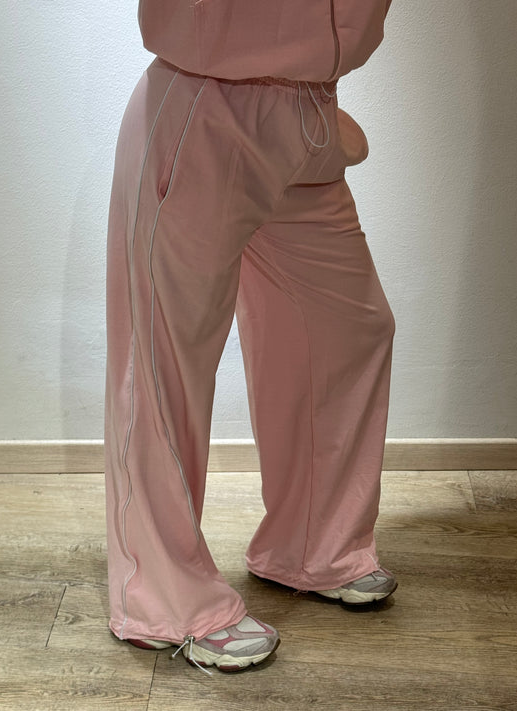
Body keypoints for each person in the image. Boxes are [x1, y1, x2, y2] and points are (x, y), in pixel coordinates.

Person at [104, 0, 396, 675]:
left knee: (347, 327)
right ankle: (161, 596)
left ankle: (313, 545)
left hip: (311, 112)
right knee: (166, 358)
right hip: (205, 105)